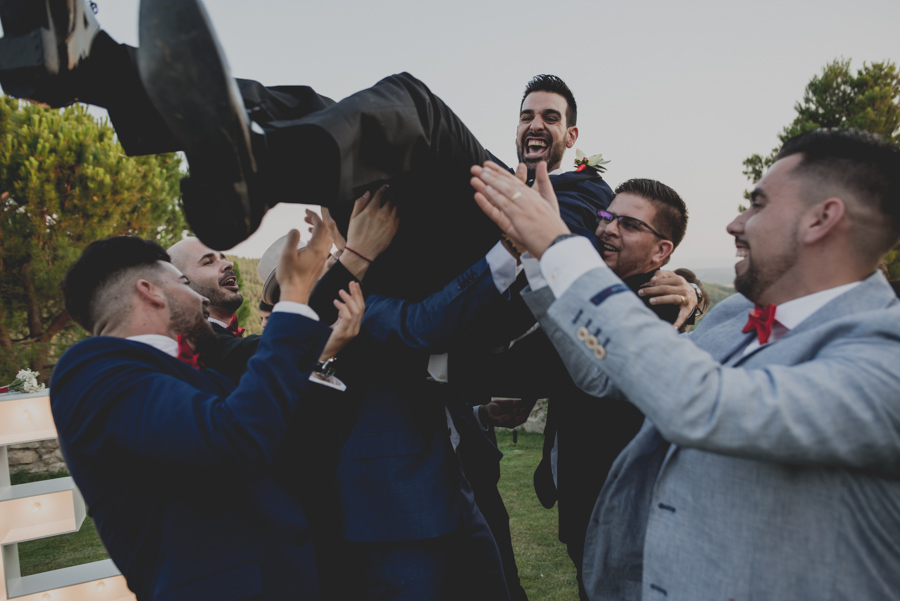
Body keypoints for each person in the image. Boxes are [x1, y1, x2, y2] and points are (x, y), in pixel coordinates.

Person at [471, 127, 900, 600]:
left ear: (821, 220)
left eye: (758, 204)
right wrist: (538, 261)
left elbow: (700, 402)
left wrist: (558, 246)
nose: (736, 223)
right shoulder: (737, 312)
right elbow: (604, 374)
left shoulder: (886, 355)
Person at [48, 225, 349, 600]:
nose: (202, 300)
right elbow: (235, 440)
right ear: (150, 291)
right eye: (186, 283)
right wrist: (293, 299)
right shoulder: (90, 370)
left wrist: (323, 353)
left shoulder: (196, 377)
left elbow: (281, 436)